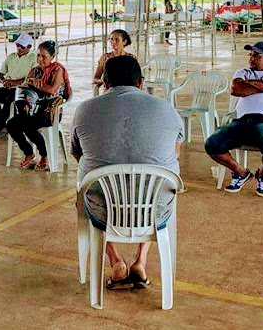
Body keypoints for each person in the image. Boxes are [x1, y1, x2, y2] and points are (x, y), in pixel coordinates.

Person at [72, 55, 184, 289]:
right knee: (158, 184)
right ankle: (140, 261)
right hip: (154, 211)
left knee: (84, 189)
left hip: (104, 211)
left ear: (104, 82)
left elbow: (78, 154)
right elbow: (175, 154)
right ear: (141, 82)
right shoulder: (166, 108)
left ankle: (115, 261)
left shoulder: (85, 110)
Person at [205, 41, 263, 197]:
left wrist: (249, 86)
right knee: (212, 144)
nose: (251, 58)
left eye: (257, 55)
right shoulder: (242, 72)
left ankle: (262, 175)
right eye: (250, 55)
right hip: (241, 122)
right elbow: (236, 89)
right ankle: (241, 173)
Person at [5, 39, 72, 172]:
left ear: (52, 57)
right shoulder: (34, 71)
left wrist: (37, 83)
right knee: (11, 124)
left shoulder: (57, 70)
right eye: (38, 55)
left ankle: (44, 154)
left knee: (27, 125)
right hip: (31, 111)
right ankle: (29, 152)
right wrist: (25, 96)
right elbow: (25, 86)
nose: (40, 59)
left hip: (49, 111)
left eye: (44, 56)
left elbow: (52, 90)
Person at [0, 33, 36, 139]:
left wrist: (14, 82)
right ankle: (1, 126)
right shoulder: (11, 57)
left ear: (29, 47)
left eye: (22, 46)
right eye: (17, 45)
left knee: (10, 101)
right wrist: (4, 81)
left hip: (22, 89)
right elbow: (0, 73)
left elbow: (31, 78)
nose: (19, 48)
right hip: (8, 86)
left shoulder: (33, 58)